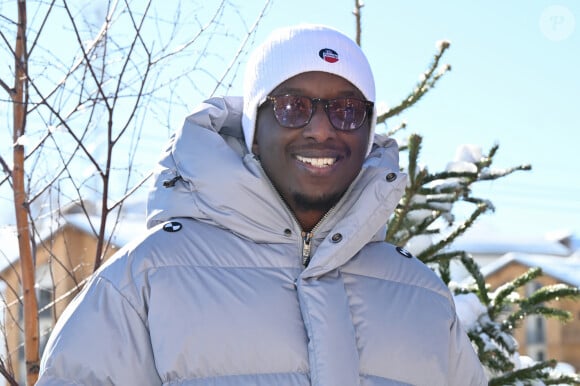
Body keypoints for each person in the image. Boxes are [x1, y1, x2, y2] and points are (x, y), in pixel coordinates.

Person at [37, 24, 487, 385]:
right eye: (293, 107)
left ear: (368, 133)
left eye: (347, 110)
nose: (322, 131)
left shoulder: (422, 297)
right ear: (254, 126)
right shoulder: (148, 279)